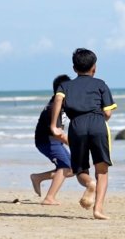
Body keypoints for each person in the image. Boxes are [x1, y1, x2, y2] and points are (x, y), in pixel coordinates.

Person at [48, 48, 117, 220]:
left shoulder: (65, 85)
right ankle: (98, 209)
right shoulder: (101, 84)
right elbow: (108, 113)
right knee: (102, 170)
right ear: (94, 67)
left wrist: (54, 125)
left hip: (76, 125)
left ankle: (89, 183)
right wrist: (99, 121)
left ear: (74, 68)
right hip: (97, 123)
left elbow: (58, 99)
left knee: (80, 169)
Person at [30, 74, 75, 205]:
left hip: (54, 141)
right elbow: (56, 133)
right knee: (65, 167)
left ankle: (37, 177)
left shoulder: (60, 104)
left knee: (72, 169)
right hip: (47, 141)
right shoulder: (53, 108)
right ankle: (49, 197)